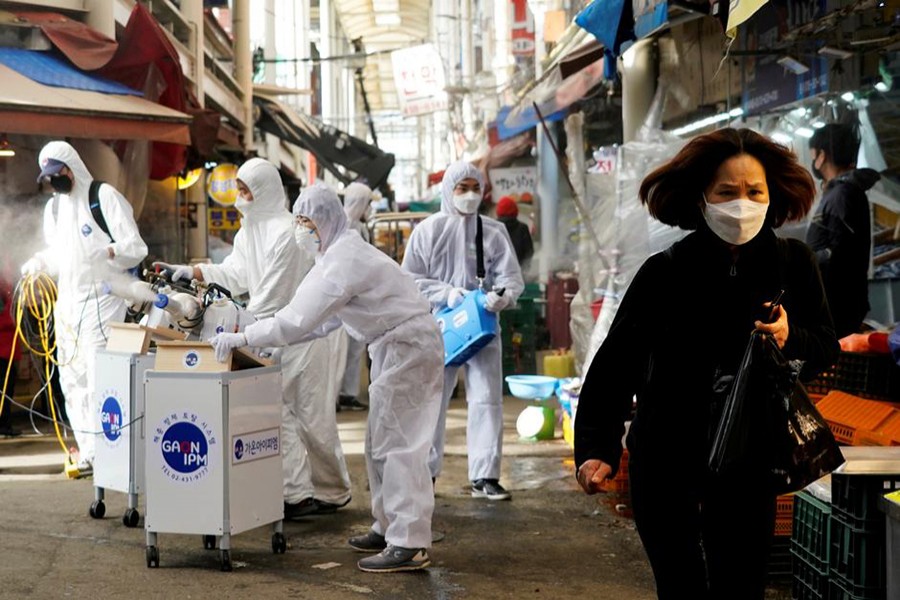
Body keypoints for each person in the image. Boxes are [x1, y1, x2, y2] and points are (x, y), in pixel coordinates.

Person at [574, 128, 839, 599]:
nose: (742, 203)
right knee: (679, 588)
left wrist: (788, 336)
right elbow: (617, 364)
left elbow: (823, 348)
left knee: (740, 587)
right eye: (727, 192)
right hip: (664, 459)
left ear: (771, 195)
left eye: (754, 191)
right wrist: (598, 447)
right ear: (701, 198)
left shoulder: (793, 262)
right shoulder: (664, 271)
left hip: (750, 461)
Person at [209, 182, 444, 573]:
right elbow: (323, 321)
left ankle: (410, 541)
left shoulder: (342, 260)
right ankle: (388, 526)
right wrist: (270, 341)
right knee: (380, 442)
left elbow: (297, 317)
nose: (301, 230)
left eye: (306, 222)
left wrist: (246, 336)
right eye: (298, 221)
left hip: (408, 346)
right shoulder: (339, 254)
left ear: (326, 221)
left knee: (400, 444)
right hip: (397, 346)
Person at [154, 158, 352, 518]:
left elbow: (273, 295)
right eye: (239, 189)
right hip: (268, 333)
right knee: (278, 414)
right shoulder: (248, 232)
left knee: (312, 418)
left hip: (303, 338)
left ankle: (333, 490)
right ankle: (296, 493)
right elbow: (236, 273)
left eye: (246, 190)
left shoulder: (287, 233)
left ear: (263, 191)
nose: (239, 197)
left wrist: (237, 328)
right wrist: (190, 271)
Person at [21, 141, 148, 474]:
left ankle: (112, 448)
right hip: (68, 303)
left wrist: (108, 252)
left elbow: (136, 247)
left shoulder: (103, 197)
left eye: (57, 173)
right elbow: (59, 255)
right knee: (71, 378)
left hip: (103, 299)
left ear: (71, 166)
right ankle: (90, 452)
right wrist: (38, 261)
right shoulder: (55, 209)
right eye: (49, 176)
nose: (54, 181)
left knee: (98, 376)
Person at [402, 162, 524, 501]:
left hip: (483, 325)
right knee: (433, 400)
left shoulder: (493, 232)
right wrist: (447, 294)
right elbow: (409, 279)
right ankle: (426, 473)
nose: (470, 195)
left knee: (486, 398)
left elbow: (511, 278)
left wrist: (501, 298)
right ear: (448, 190)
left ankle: (485, 474)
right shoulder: (428, 231)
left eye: (475, 187)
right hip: (439, 326)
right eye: (462, 187)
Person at [806, 123, 879, 339]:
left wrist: (802, 261)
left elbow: (839, 254)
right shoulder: (840, 192)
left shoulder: (843, 194)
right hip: (835, 304)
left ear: (822, 155)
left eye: (813, 154)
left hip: (837, 306)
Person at [338, 182, 374, 411]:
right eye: (368, 203)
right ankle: (339, 393)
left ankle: (347, 393)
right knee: (342, 348)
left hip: (357, 296)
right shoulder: (343, 226)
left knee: (354, 348)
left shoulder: (359, 228)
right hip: (343, 297)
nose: (369, 208)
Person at [0, 258, 21, 437]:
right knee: (3, 385)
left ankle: (5, 423)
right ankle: (3, 424)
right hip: (3, 338)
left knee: (7, 385)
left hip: (9, 341)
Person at [495, 195, 534, 273]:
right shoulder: (522, 228)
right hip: (518, 273)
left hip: (497, 274)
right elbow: (529, 251)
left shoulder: (494, 228)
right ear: (515, 211)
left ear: (498, 212)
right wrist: (524, 268)